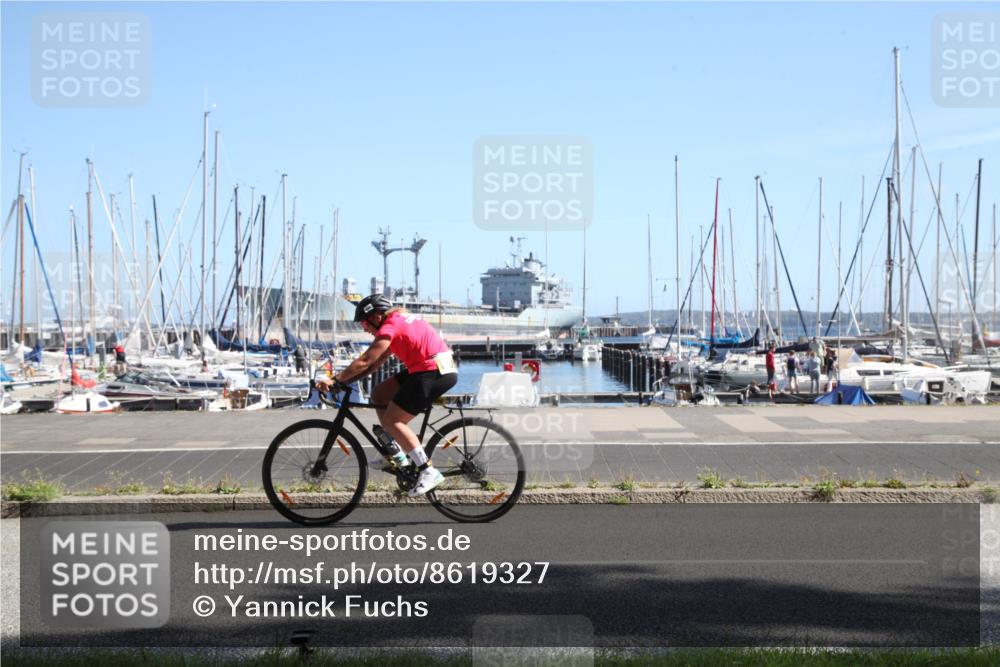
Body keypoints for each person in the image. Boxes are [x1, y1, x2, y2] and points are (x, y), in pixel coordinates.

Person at [317, 295, 458, 496]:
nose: (364, 328)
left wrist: (335, 380)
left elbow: (366, 359)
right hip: (428, 368)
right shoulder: (397, 321)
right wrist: (345, 381)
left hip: (433, 371)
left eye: (364, 323)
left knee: (393, 422)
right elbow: (376, 362)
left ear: (376, 316)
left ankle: (428, 470)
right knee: (380, 394)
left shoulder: (391, 325)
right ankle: (396, 453)